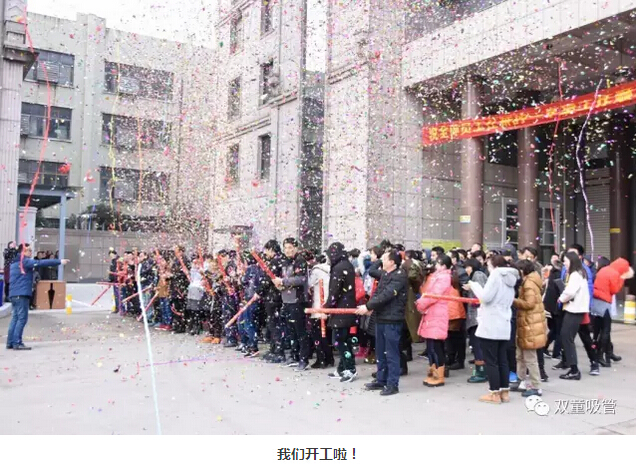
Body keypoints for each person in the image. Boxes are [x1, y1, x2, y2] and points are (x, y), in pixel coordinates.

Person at [464, 255, 519, 404]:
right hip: (504, 322)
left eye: (488, 265)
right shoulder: (510, 278)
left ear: (494, 266)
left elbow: (485, 297)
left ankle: (494, 393)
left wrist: (474, 285)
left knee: (491, 360)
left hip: (491, 322)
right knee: (502, 359)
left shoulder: (496, 275)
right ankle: (504, 391)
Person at [359, 249, 407, 396]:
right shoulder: (386, 274)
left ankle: (392, 384)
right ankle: (381, 379)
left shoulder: (399, 276)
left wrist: (368, 306)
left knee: (391, 353)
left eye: (384, 259)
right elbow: (378, 293)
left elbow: (386, 295)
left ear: (392, 262)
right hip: (381, 317)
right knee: (381, 352)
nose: (381, 261)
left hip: (392, 319)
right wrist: (370, 307)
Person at [6, 243, 69, 350]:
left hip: (14, 294)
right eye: (29, 250)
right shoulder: (24, 262)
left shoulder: (14, 263)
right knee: (21, 319)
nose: (31, 252)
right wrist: (59, 261)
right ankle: (17, 342)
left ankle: (10, 342)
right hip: (21, 294)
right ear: (22, 252)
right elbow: (41, 263)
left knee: (15, 318)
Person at [321, 242, 357, 381]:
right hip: (346, 308)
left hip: (340, 310)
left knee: (339, 341)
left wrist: (327, 306)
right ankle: (342, 368)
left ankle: (350, 368)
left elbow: (335, 291)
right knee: (344, 340)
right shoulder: (347, 265)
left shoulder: (338, 268)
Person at [273, 238, 310, 371]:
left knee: (300, 331)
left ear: (295, 248)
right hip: (286, 300)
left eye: (290, 247)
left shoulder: (300, 261)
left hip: (297, 301)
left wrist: (283, 281)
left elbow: (301, 279)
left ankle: (304, 359)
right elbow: (284, 280)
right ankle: (294, 356)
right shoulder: (285, 262)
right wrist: (279, 285)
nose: (288, 250)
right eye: (286, 248)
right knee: (291, 331)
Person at [416, 254, 452, 388]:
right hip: (432, 312)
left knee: (436, 346)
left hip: (437, 313)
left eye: (437, 263)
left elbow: (433, 295)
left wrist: (421, 303)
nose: (435, 265)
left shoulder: (444, 278)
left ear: (443, 265)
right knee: (431, 345)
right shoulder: (437, 276)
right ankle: (433, 371)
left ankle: (439, 374)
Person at [513, 260, 548, 397]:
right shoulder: (531, 280)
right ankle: (521, 380)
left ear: (522, 270)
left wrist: (513, 300)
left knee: (529, 357)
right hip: (527, 322)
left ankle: (536, 386)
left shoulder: (529, 283)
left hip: (530, 324)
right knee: (520, 355)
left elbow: (529, 303)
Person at [591, 257, 633, 367]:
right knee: (606, 330)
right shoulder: (614, 274)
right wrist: (622, 279)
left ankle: (608, 354)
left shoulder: (604, 270)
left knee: (601, 329)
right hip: (604, 302)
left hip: (596, 302)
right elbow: (614, 290)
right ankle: (600, 355)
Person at [557, 252, 591, 380]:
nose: (564, 263)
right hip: (578, 309)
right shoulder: (580, 273)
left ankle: (574, 369)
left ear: (571, 261)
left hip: (574, 310)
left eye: (565, 261)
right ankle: (573, 368)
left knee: (567, 337)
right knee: (568, 337)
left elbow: (569, 292)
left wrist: (561, 299)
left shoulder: (575, 275)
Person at [258, 240, 286, 364]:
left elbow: (267, 279)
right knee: (274, 324)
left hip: (273, 297)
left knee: (274, 324)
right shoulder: (282, 260)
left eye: (266, 251)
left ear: (271, 249)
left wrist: (259, 291)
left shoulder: (275, 261)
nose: (265, 253)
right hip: (279, 296)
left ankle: (278, 351)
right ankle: (274, 349)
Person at [464, 259, 488, 383]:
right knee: (477, 344)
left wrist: (471, 288)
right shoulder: (478, 275)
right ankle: (480, 370)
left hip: (477, 316)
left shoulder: (478, 276)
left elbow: (481, 295)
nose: (466, 270)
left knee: (478, 345)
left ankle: (482, 372)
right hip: (476, 315)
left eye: (467, 267)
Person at [308, 253, 333, 368]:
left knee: (317, 334)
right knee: (325, 334)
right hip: (328, 304)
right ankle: (329, 358)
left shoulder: (316, 270)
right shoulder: (331, 270)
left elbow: (308, 284)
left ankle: (321, 358)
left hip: (318, 304)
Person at [238, 253, 264, 357]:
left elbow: (244, 281)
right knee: (249, 322)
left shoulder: (251, 269)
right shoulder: (258, 269)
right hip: (254, 298)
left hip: (250, 298)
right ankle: (249, 344)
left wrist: (241, 276)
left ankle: (252, 346)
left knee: (247, 323)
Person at [445, 273, 467, 371]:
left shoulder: (449, 287)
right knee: (457, 339)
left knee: (452, 339)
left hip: (452, 315)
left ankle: (455, 360)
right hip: (458, 314)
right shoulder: (456, 286)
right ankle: (457, 360)